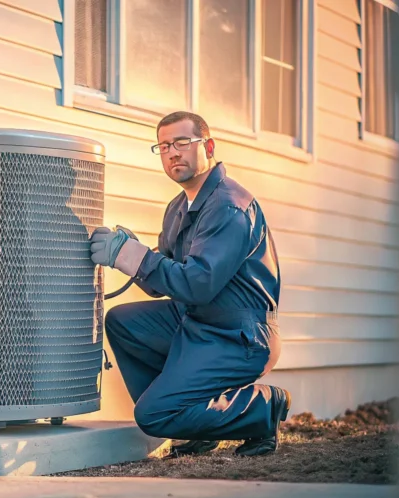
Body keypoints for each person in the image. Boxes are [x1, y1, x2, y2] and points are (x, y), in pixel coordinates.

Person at [89, 111, 290, 457]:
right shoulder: (179, 207)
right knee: (123, 322)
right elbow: (164, 281)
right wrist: (131, 256)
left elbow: (197, 284)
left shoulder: (229, 206)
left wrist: (134, 257)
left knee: (152, 414)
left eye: (182, 142)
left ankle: (263, 407)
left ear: (208, 146)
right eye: (163, 146)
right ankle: (195, 422)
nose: (172, 153)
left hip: (238, 336)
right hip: (198, 324)